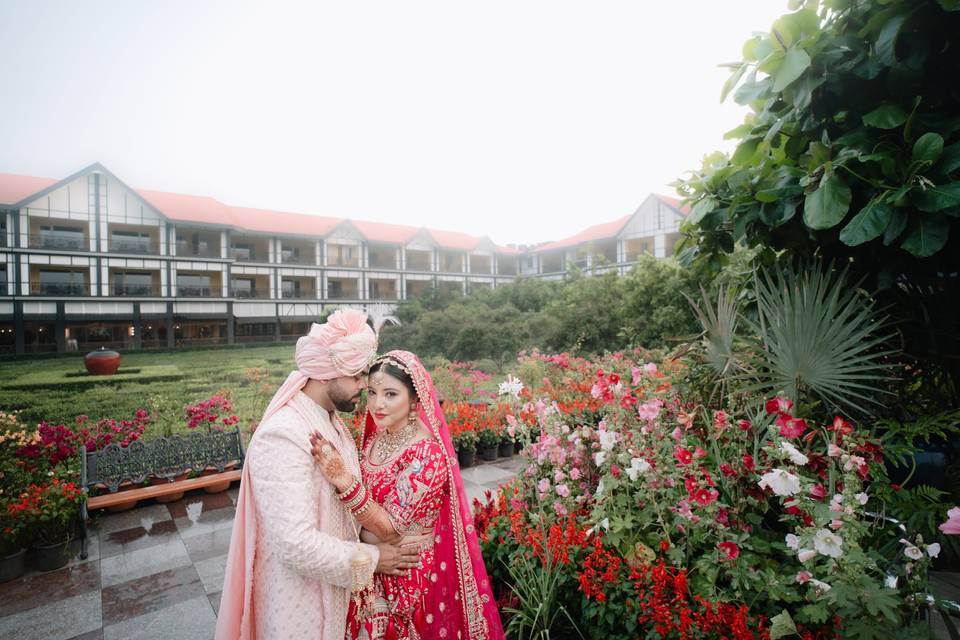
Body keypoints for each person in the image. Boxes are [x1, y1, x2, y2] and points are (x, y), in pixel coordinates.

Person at [215, 311, 420, 640]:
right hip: (299, 607)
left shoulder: (330, 420)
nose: (364, 385)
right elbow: (296, 545)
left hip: (335, 596)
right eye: (356, 375)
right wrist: (374, 559)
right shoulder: (283, 434)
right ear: (325, 375)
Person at [311, 350, 505, 640]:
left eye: (390, 394)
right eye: (372, 392)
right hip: (373, 565)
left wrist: (343, 480)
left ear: (414, 399)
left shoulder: (426, 454)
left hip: (407, 576)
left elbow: (391, 528)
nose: (377, 404)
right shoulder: (377, 438)